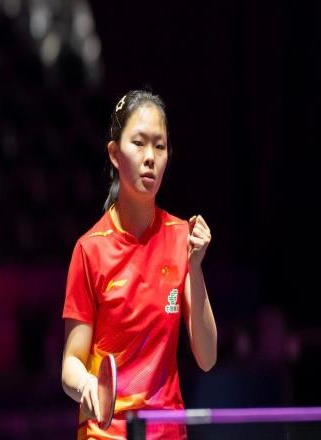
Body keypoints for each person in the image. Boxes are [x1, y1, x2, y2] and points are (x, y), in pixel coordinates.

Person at [61, 89, 217, 439]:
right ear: (115, 154)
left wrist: (195, 267)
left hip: (167, 431)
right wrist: (86, 384)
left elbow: (207, 358)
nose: (150, 157)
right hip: (107, 433)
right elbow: (71, 363)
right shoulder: (90, 249)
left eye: (159, 146)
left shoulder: (181, 237)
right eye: (138, 143)